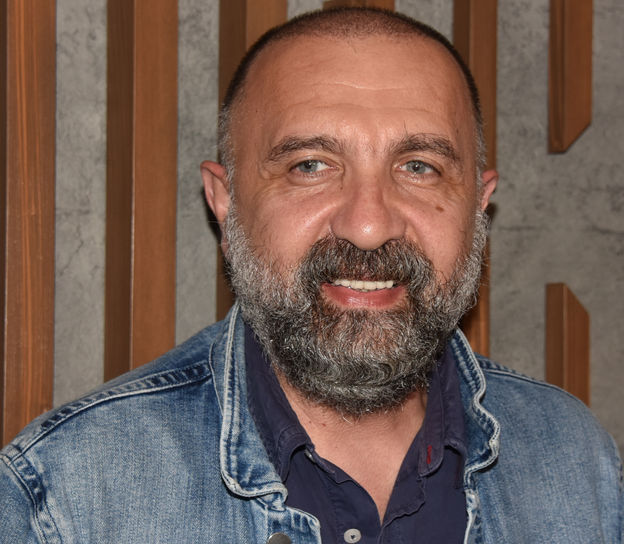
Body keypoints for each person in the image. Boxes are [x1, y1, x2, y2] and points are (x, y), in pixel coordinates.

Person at [1, 8, 621, 543]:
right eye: (310, 165)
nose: (368, 225)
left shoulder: (576, 461)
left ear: (478, 205)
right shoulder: (62, 499)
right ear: (225, 201)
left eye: (419, 167)